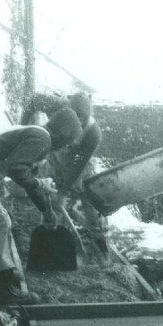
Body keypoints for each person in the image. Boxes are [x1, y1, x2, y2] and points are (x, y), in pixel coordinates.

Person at [0, 107, 83, 306]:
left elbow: (24, 175)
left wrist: (46, 210)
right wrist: (39, 185)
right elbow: (17, 170)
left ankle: (1, 277)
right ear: (63, 132)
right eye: (70, 139)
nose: (67, 145)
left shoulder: (37, 133)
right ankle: (3, 293)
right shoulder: (42, 138)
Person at [42, 92, 109, 257]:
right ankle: (54, 242)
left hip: (81, 165)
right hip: (57, 158)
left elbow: (78, 164)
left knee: (90, 202)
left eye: (83, 117)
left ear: (89, 115)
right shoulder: (58, 113)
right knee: (51, 201)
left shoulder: (94, 133)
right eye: (75, 115)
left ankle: (101, 244)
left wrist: (64, 192)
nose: (79, 120)